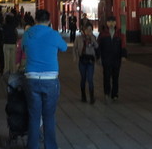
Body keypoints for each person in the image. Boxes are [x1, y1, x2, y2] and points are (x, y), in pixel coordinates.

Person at [21, 9, 67, 149]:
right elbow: (64, 48)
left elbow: (23, 48)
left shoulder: (28, 34)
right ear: (49, 20)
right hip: (50, 79)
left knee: (34, 115)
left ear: (35, 20)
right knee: (49, 116)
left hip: (31, 78)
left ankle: (32, 146)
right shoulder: (53, 34)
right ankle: (50, 146)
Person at [98, 15, 126, 102]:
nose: (111, 24)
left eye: (113, 22)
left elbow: (123, 46)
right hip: (106, 58)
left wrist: (123, 56)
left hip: (116, 59)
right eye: (109, 22)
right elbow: (98, 47)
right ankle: (107, 92)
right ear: (107, 23)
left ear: (115, 23)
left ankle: (115, 94)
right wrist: (99, 57)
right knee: (106, 76)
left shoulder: (120, 34)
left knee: (115, 77)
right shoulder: (103, 34)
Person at [73, 24, 98, 104]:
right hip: (82, 60)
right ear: (84, 30)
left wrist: (92, 39)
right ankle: (83, 95)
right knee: (83, 78)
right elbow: (74, 48)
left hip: (90, 60)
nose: (88, 31)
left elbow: (97, 46)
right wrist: (75, 57)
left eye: (90, 30)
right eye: (87, 30)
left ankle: (91, 97)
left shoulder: (93, 37)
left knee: (90, 79)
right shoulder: (79, 38)